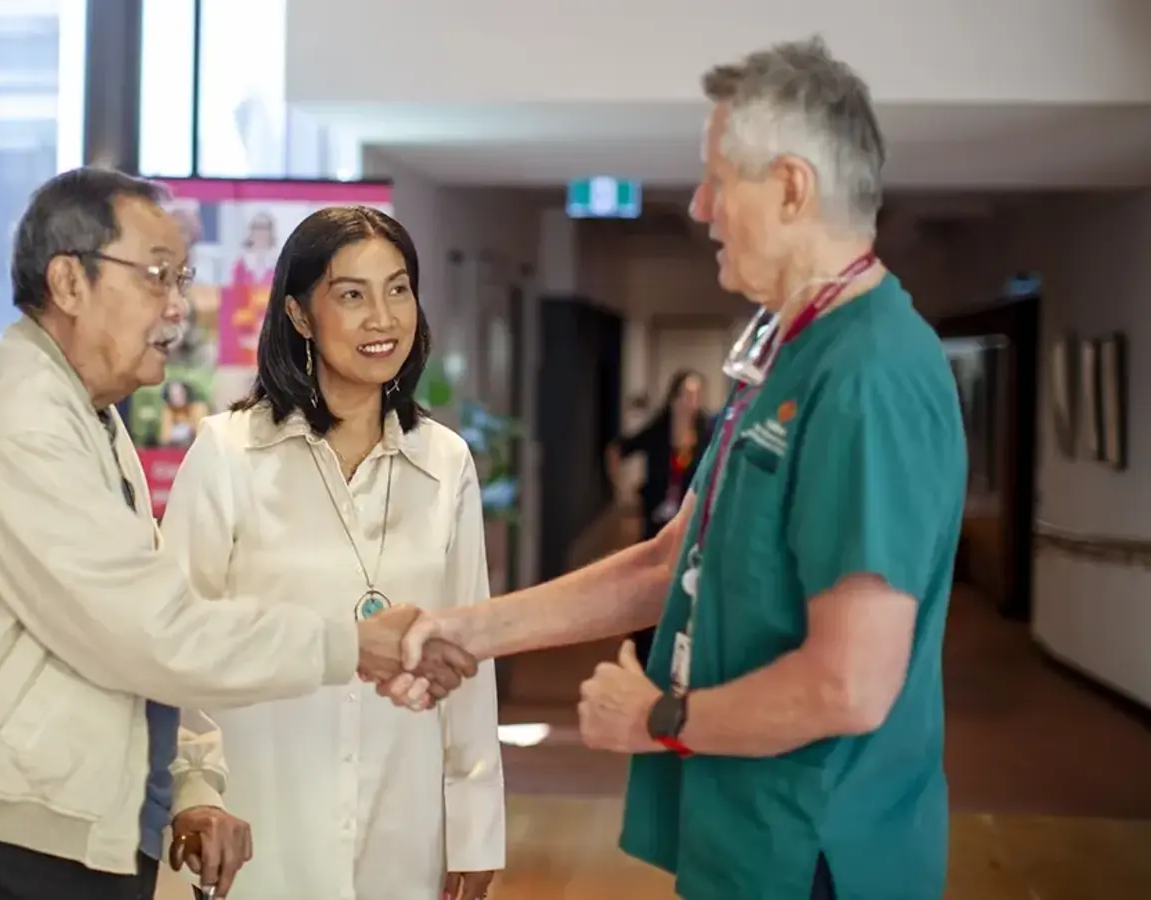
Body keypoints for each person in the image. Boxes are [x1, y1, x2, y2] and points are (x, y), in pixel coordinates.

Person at [390, 37, 966, 900]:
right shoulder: (789, 352)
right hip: (741, 841)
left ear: (791, 186)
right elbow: (673, 561)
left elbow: (849, 686)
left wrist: (659, 717)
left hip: (817, 857)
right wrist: (465, 631)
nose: (700, 207)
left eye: (717, 178)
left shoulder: (871, 374)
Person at [0, 167, 475, 900]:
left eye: (181, 277)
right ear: (69, 283)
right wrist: (352, 645)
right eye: (157, 277)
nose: (178, 307)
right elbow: (153, 629)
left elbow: (143, 629)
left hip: (70, 822)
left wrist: (190, 775)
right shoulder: (23, 423)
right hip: (4, 837)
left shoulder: (86, 417)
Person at [158, 207, 505, 900]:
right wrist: (194, 791)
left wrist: (474, 824)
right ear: (299, 314)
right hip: (256, 820)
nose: (383, 317)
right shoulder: (229, 454)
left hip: (402, 821)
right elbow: (175, 643)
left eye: (398, 288)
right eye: (352, 295)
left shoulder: (445, 462)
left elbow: (469, 656)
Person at [605, 368, 712, 663]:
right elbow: (617, 450)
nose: (692, 401)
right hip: (655, 519)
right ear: (674, 396)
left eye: (697, 394)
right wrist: (620, 494)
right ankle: (644, 650)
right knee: (650, 578)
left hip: (690, 521)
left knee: (685, 582)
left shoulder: (707, 429)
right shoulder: (660, 426)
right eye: (686, 394)